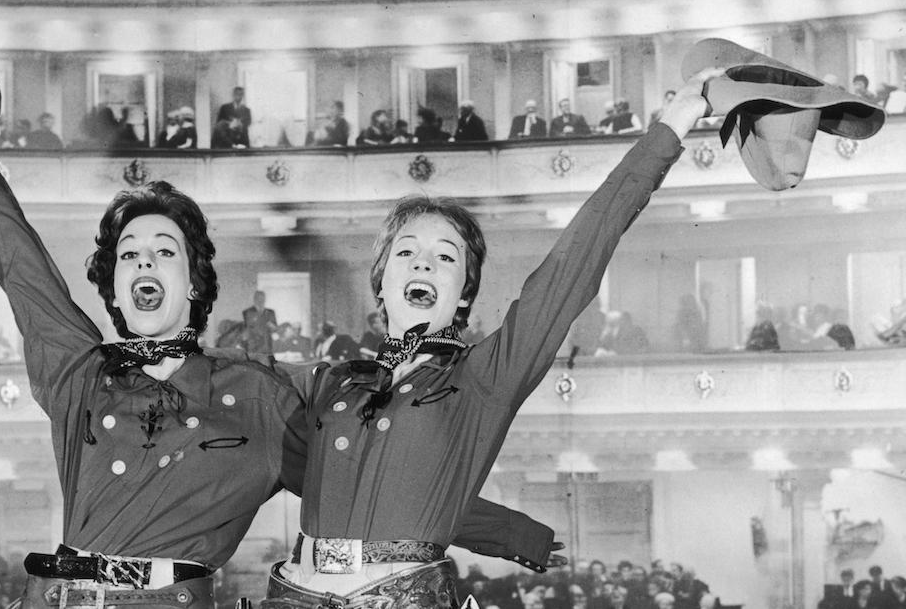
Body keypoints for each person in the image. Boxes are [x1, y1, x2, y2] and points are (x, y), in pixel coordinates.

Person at [0, 98, 552, 608]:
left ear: (194, 281)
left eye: (164, 250)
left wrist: (513, 534)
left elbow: (376, 481)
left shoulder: (258, 396)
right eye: (129, 254)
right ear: (113, 283)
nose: (144, 260)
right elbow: (22, 269)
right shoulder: (77, 375)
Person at [261, 68, 718, 609]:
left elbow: (576, 259)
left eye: (445, 257)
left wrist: (671, 126)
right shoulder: (328, 385)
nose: (424, 262)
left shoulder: (483, 376)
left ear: (462, 295)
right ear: (381, 282)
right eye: (406, 252)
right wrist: (506, 531)